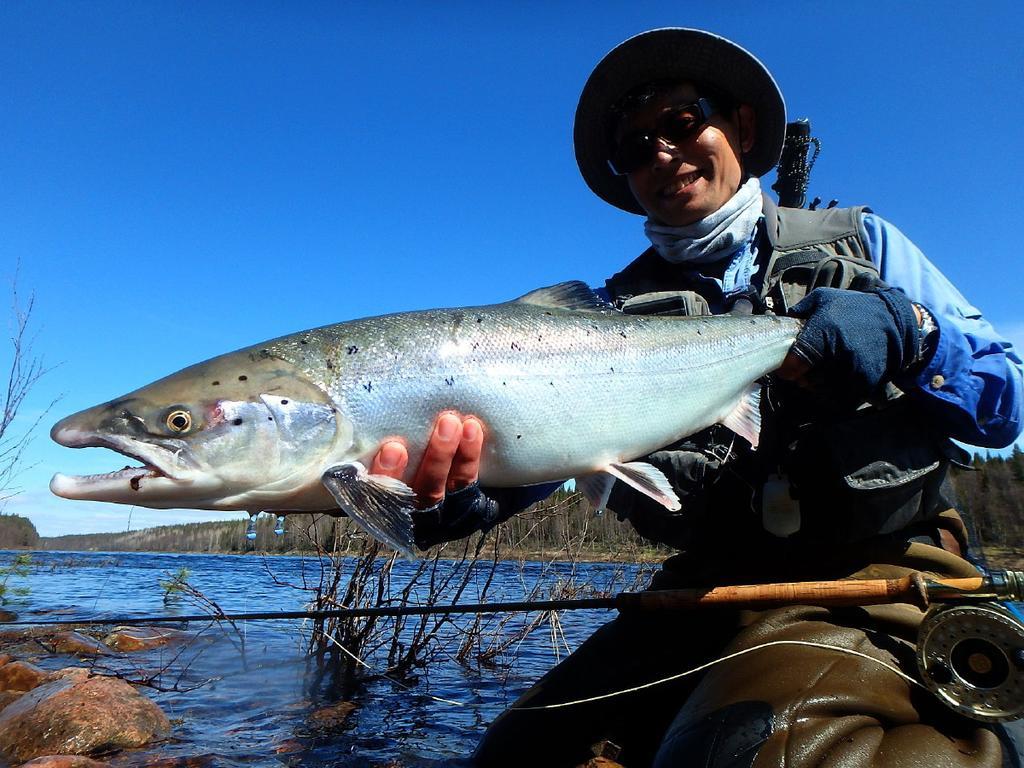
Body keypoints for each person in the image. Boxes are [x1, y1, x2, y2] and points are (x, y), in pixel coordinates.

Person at [370, 28, 1023, 767]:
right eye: (635, 147)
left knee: (752, 752)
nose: (663, 155)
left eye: (683, 124)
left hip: (879, 570)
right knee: (514, 756)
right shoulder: (605, 316)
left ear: (741, 127)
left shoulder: (862, 241)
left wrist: (915, 330)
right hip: (704, 590)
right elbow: (550, 454)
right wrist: (467, 497)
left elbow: (1007, 406)